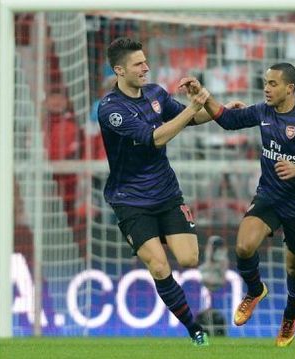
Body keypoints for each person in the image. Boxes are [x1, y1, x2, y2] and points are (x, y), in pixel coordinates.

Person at [181, 63, 295, 347]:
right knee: (243, 246)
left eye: (273, 84)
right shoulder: (262, 112)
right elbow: (228, 119)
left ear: (289, 88)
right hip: (269, 196)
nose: (266, 88)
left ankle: (290, 316)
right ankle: (255, 291)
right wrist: (203, 96)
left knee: (294, 267)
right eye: (265, 83)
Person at [97, 37, 214, 346]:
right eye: (138, 64)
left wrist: (213, 106)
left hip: (166, 194)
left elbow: (193, 119)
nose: (146, 67)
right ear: (119, 70)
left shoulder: (156, 94)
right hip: (131, 200)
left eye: (146, 61)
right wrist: (192, 109)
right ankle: (194, 329)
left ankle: (159, 236)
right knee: (159, 265)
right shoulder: (111, 109)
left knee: (189, 260)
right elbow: (155, 139)